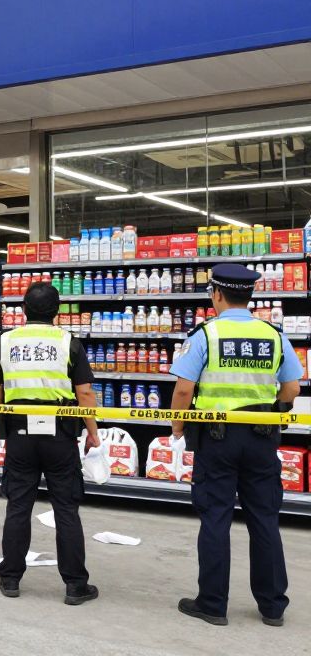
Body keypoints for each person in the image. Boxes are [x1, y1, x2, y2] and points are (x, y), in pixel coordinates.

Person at [169, 263, 301, 628]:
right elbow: (292, 389)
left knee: (215, 518)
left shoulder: (205, 335)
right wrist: (276, 411)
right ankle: (273, 606)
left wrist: (178, 427)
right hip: (261, 438)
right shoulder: (274, 335)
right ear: (251, 295)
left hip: (217, 440)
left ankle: (212, 604)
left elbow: (183, 389)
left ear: (217, 294)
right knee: (265, 519)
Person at [0, 281, 100, 605]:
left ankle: (10, 578)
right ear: (58, 311)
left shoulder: (6, 342)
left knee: (18, 506)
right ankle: (76, 585)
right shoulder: (69, 343)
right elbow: (85, 394)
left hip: (21, 435)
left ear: (23, 309)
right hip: (60, 436)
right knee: (66, 509)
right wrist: (92, 432)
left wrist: (2, 427)